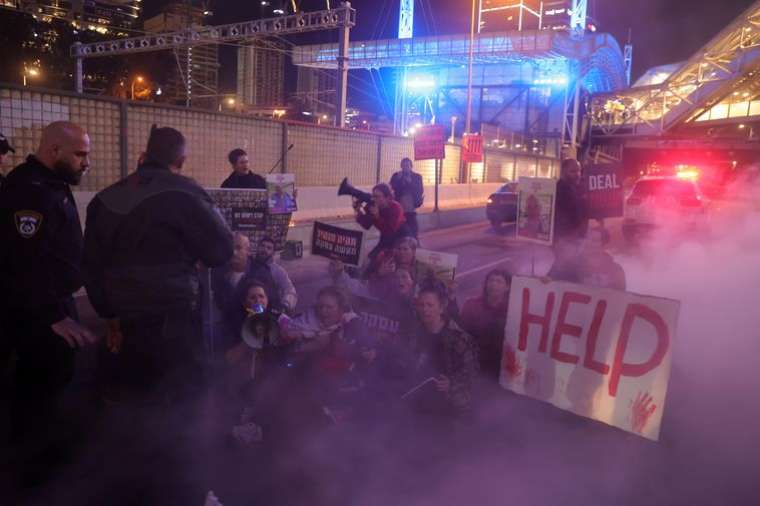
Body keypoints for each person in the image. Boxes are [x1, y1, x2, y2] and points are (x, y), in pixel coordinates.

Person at [83, 125, 233, 400]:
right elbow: (221, 252)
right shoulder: (188, 193)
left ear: (143, 156)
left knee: (128, 402)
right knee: (178, 404)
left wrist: (108, 316)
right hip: (175, 321)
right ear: (181, 161)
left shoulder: (105, 197)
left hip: (123, 321)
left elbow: (91, 265)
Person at [0, 121, 97, 485]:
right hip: (36, 307)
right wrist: (51, 315)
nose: (86, 162)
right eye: (80, 154)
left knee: (54, 375)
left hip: (50, 300)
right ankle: (33, 469)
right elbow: (21, 258)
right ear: (54, 150)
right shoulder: (29, 189)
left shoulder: (51, 183)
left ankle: (43, 455)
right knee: (42, 378)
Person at [409, 286, 479, 417]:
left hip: (449, 410)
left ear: (441, 308)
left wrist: (451, 384)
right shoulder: (414, 332)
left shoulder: (460, 339)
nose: (425, 310)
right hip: (416, 403)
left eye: (430, 305)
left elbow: (472, 373)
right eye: (421, 305)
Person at [460, 269, 512, 381]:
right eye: (491, 280)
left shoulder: (513, 309)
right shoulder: (471, 305)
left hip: (501, 367)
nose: (493, 284)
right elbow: (460, 333)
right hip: (476, 364)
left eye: (499, 281)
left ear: (507, 287)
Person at [355, 183, 410, 260]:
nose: (374, 199)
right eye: (373, 196)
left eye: (377, 196)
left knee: (390, 259)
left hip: (400, 236)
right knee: (372, 258)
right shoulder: (373, 205)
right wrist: (359, 210)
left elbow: (390, 229)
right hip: (385, 237)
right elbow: (366, 225)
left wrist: (377, 216)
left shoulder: (396, 207)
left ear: (387, 198)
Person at [247, 235, 298, 313]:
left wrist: (285, 306)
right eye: (262, 246)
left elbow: (290, 291)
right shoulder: (249, 264)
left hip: (270, 312)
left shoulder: (278, 271)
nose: (264, 250)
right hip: (250, 309)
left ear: (273, 253)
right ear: (258, 248)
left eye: (269, 248)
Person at [577, 226, 626, 291]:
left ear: (604, 245)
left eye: (594, 240)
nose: (589, 243)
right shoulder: (575, 266)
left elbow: (620, 296)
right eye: (587, 239)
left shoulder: (616, 270)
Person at [554, 158, 588, 244]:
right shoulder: (560, 189)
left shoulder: (575, 188)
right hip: (566, 239)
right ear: (563, 173)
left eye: (579, 171)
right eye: (573, 171)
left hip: (574, 237)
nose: (577, 174)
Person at [389, 157, 424, 239]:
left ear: (411, 166)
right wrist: (398, 180)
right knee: (399, 224)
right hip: (399, 203)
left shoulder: (417, 176)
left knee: (411, 222)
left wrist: (410, 182)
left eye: (407, 165)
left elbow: (420, 189)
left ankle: (414, 240)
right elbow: (391, 188)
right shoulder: (396, 176)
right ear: (401, 166)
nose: (406, 167)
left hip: (411, 203)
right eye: (404, 165)